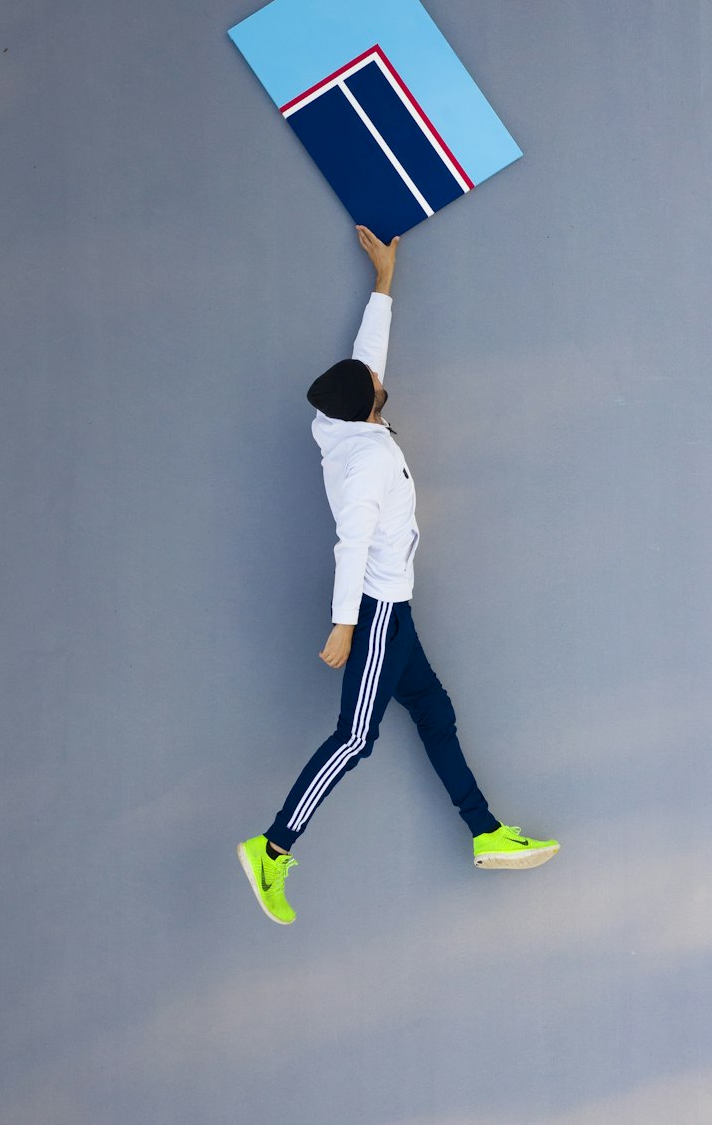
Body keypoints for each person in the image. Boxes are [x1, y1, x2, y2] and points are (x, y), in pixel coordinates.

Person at [237, 225, 559, 924]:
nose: (380, 376)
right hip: (379, 612)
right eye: (377, 385)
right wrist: (347, 624)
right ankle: (271, 847)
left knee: (436, 714)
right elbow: (349, 541)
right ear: (371, 404)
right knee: (356, 737)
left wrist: (384, 279)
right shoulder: (369, 463)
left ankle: (486, 834)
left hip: (398, 612)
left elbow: (364, 363)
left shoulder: (338, 424)